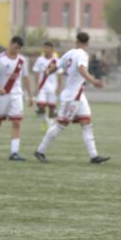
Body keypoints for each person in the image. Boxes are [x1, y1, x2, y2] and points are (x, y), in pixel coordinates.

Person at [34, 32, 109, 164]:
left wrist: (47, 71)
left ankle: (94, 156)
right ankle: (40, 151)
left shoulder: (69, 53)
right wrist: (94, 81)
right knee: (61, 125)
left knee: (86, 123)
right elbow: (81, 69)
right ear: (87, 43)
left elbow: (55, 67)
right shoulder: (82, 54)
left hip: (79, 95)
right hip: (72, 96)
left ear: (76, 41)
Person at [0, 36, 33, 160]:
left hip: (17, 95)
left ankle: (14, 153)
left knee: (17, 123)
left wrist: (30, 96)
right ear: (11, 44)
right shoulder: (0, 59)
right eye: (15, 47)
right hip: (3, 96)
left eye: (19, 49)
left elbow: (26, 77)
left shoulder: (22, 60)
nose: (16, 50)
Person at [32, 41, 62, 130]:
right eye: (44, 48)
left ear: (52, 49)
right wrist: (36, 86)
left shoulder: (57, 61)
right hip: (42, 87)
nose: (46, 50)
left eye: (48, 48)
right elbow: (36, 73)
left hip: (53, 88)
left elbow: (59, 75)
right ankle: (44, 120)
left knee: (52, 109)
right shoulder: (39, 60)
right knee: (41, 106)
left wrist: (59, 88)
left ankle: (50, 127)